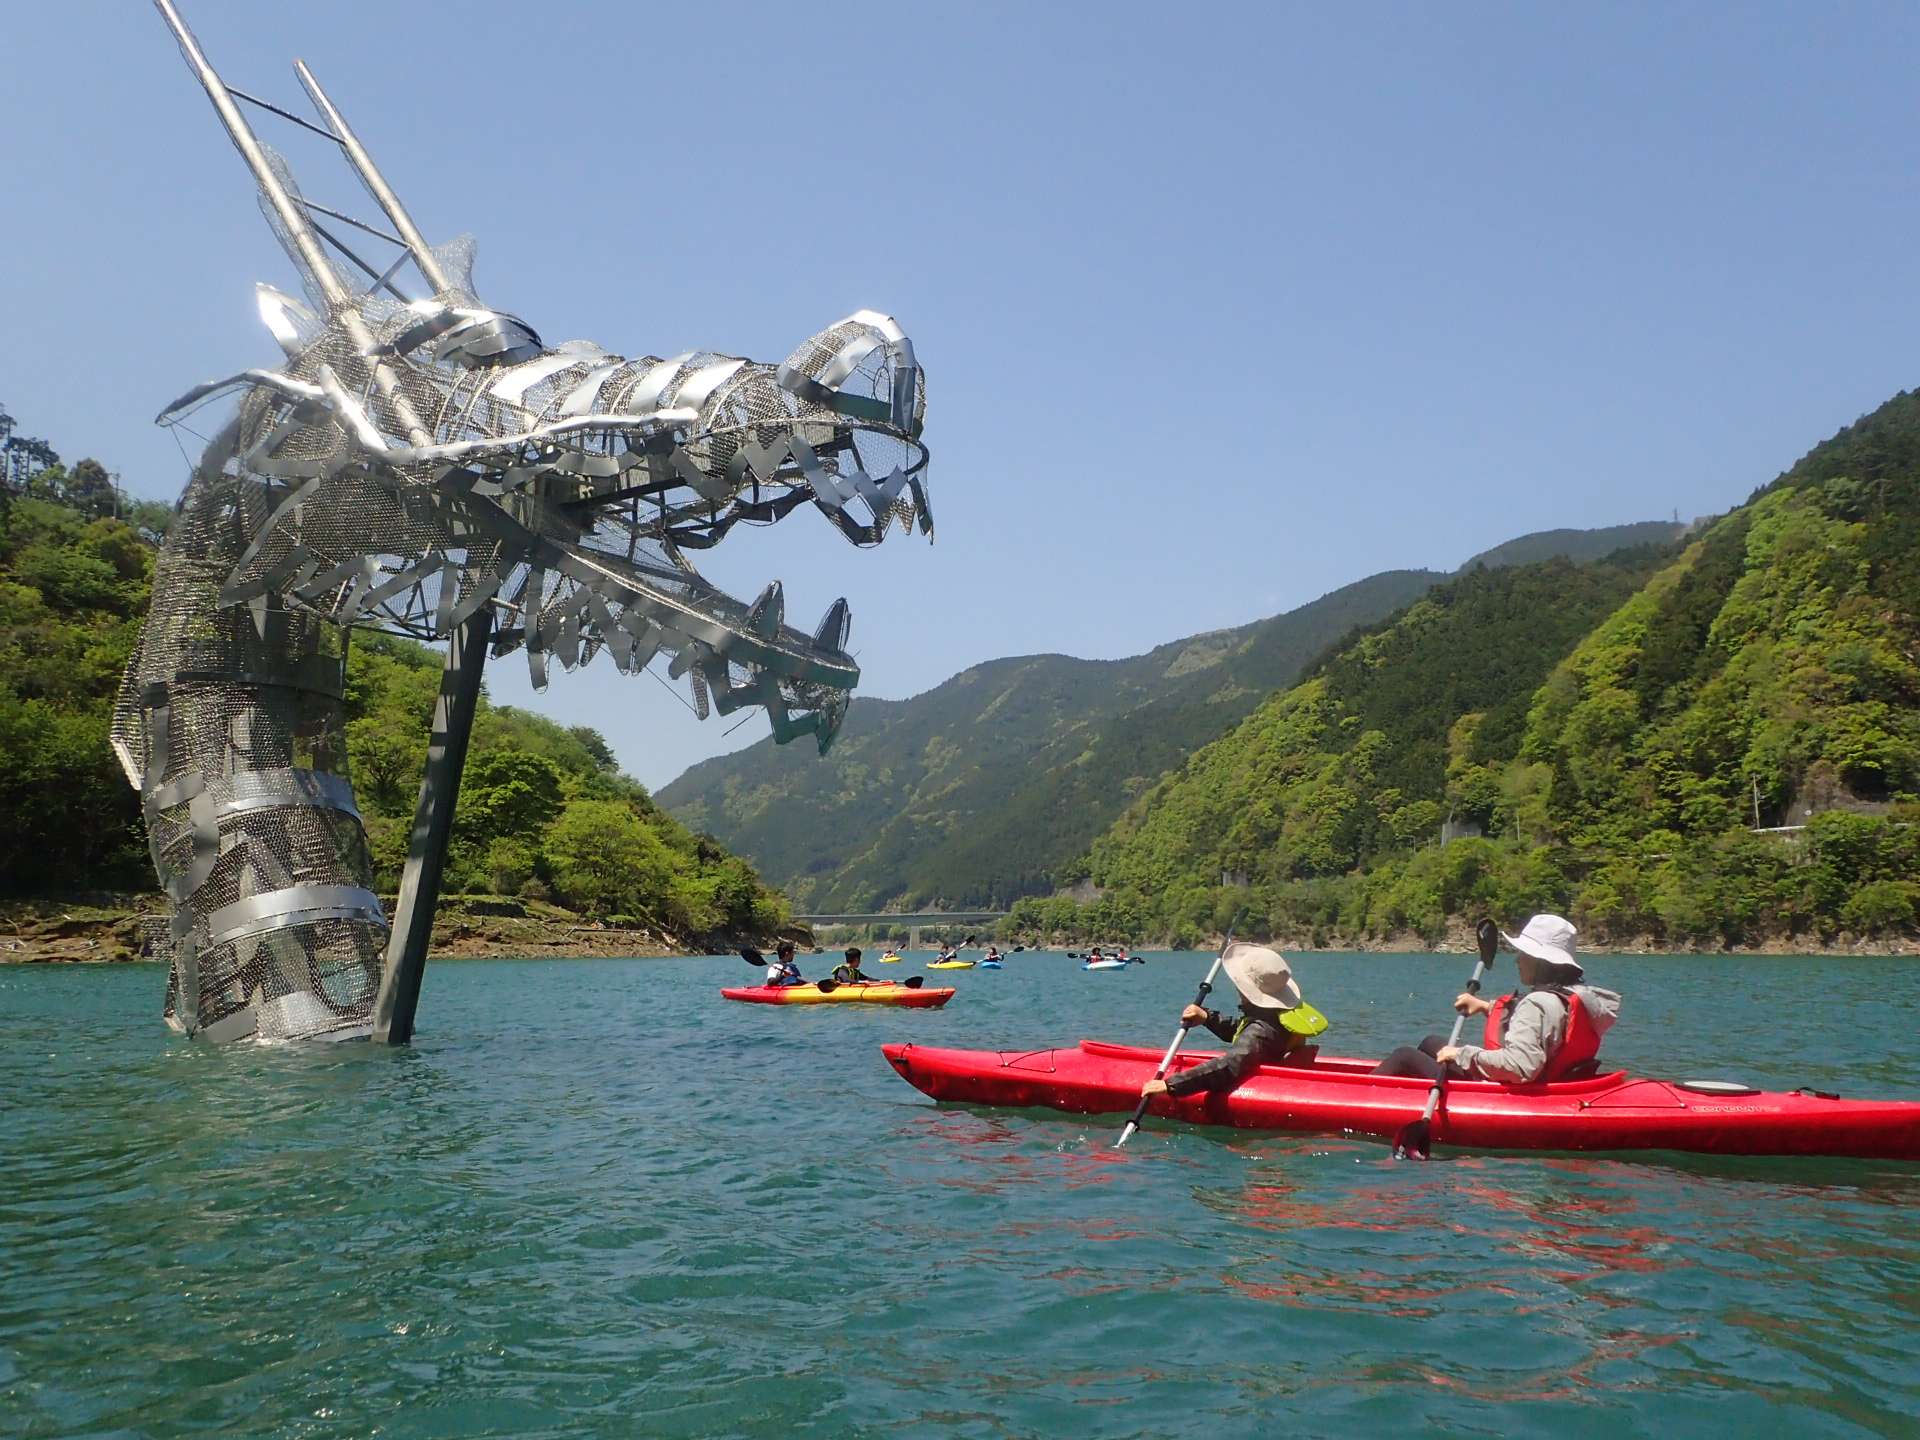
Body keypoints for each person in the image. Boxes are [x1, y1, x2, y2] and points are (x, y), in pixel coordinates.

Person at [1371, 914, 1622, 1084]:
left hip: (1507, 1087)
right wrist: (1484, 1006)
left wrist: (1462, 1054)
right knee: (1430, 1042)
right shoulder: (1570, 995)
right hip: (1546, 1080)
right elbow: (1542, 1027)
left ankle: (1367, 1096)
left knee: (1404, 1055)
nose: (1517, 960)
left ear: (1541, 961)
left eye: (1523, 954)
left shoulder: (1537, 1004)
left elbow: (1522, 1066)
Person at [1139, 943, 1330, 1101]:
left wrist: (1171, 1085)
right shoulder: (1273, 1016)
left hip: (1269, 1086)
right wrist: (1207, 1018)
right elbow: (1244, 1032)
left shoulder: (1261, 1030)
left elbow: (1231, 1063)